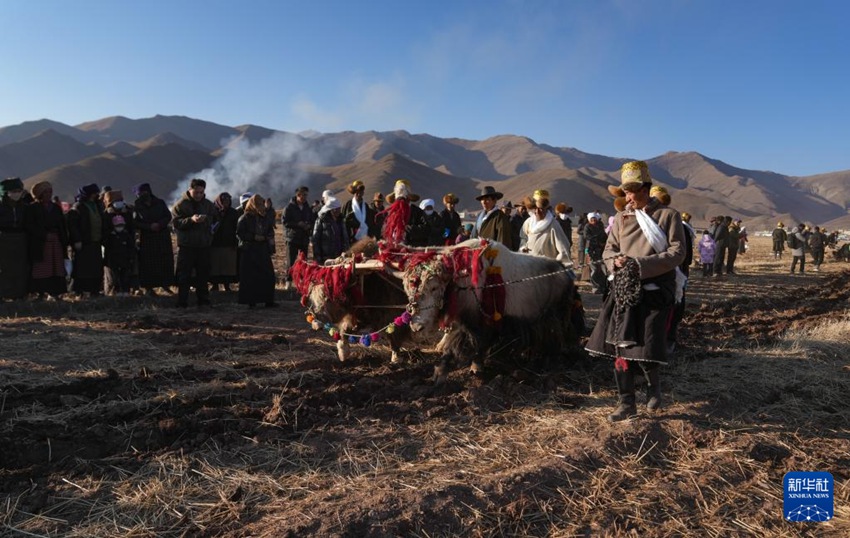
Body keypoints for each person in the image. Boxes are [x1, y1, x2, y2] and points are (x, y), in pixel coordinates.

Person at [585, 161, 686, 422]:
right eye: (625, 192)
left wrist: (640, 265)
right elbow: (609, 249)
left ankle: (654, 388)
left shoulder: (668, 216)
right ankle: (626, 402)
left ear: (645, 188)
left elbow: (677, 252)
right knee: (619, 347)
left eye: (631, 191)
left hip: (654, 290)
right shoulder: (620, 219)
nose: (627, 197)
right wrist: (615, 261)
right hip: (623, 290)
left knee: (646, 347)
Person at [171, 178, 218, 308]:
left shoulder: (208, 205)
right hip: (187, 246)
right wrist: (191, 220)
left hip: (204, 245)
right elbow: (176, 224)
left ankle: (203, 300)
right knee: (184, 275)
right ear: (190, 190)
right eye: (196, 192)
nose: (198, 195)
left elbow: (215, 220)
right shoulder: (180, 205)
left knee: (203, 274)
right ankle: (182, 301)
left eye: (201, 192)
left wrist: (207, 221)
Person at [25, 182, 68, 299]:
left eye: (50, 192)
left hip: (56, 242)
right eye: (46, 192)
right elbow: (30, 225)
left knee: (56, 267)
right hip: (40, 243)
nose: (49, 194)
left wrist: (63, 239)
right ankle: (40, 293)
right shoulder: (32, 208)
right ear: (40, 194)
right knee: (42, 268)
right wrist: (43, 234)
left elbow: (62, 225)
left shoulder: (56, 208)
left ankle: (56, 293)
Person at [132, 183, 174, 295]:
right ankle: (149, 288)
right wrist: (148, 226)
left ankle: (165, 285)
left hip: (162, 236)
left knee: (164, 262)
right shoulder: (137, 206)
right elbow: (135, 222)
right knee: (148, 264)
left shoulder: (160, 203)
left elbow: (168, 216)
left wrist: (160, 224)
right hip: (147, 238)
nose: (143, 195)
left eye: (144, 192)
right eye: (140, 193)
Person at [237, 194, 277, 308]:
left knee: (267, 275)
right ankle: (251, 302)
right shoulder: (244, 218)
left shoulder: (265, 218)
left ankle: (268, 300)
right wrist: (254, 237)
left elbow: (270, 231)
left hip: (263, 250)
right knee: (251, 277)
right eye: (258, 204)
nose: (261, 207)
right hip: (249, 250)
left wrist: (269, 241)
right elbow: (240, 234)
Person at [67, 183, 105, 297]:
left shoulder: (97, 205)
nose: (96, 195)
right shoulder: (79, 207)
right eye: (94, 193)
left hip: (96, 241)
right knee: (82, 269)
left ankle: (95, 290)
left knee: (96, 268)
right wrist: (77, 240)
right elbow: (73, 226)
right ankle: (80, 291)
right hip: (84, 242)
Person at [518, 190, 571, 263]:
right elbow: (523, 239)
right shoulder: (528, 223)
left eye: (540, 209)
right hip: (529, 266)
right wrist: (523, 248)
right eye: (535, 208)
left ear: (547, 209)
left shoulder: (553, 225)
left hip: (546, 269)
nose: (537, 211)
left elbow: (564, 251)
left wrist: (554, 267)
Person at [0, 177, 31, 300]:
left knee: (20, 268)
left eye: (19, 191)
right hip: (3, 239)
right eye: (14, 191)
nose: (17, 194)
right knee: (3, 269)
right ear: (6, 192)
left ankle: (18, 294)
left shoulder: (24, 207)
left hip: (20, 239)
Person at [102, 190, 137, 294]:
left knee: (126, 271)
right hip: (112, 248)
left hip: (125, 247)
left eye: (121, 200)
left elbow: (131, 229)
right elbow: (104, 231)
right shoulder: (106, 215)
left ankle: (126, 290)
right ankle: (112, 291)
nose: (120, 202)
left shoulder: (127, 212)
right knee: (112, 272)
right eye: (117, 200)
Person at [282, 186, 314, 289]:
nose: (305, 197)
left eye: (306, 195)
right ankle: (289, 282)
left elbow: (312, 220)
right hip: (292, 238)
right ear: (298, 195)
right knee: (291, 261)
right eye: (303, 194)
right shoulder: (289, 208)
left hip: (304, 238)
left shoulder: (307, 208)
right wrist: (298, 224)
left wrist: (308, 225)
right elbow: (285, 222)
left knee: (304, 261)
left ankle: (302, 282)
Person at [381, 179, 427, 246]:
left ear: (408, 197)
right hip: (394, 246)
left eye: (403, 198)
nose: (401, 201)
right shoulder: (391, 212)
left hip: (413, 246)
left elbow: (425, 229)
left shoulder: (417, 212)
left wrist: (408, 228)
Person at [209, 193, 239, 292]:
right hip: (215, 243)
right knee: (215, 265)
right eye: (224, 201)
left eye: (228, 201)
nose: (226, 203)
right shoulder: (212, 211)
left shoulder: (233, 212)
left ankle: (227, 285)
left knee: (228, 266)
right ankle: (215, 285)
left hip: (229, 243)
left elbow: (237, 228)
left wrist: (235, 241)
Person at [312, 197, 349, 264]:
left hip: (340, 256)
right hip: (327, 257)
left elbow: (345, 237)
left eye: (339, 209)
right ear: (331, 210)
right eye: (336, 209)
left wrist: (346, 250)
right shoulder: (322, 220)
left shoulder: (341, 220)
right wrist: (318, 257)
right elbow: (316, 240)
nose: (338, 211)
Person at [582, 212, 608, 294]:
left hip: (601, 250)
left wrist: (603, 242)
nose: (593, 220)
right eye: (591, 219)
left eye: (594, 218)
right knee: (594, 269)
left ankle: (604, 286)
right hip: (591, 249)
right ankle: (595, 287)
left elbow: (604, 235)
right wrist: (596, 240)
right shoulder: (587, 227)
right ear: (589, 220)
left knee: (604, 268)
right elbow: (586, 236)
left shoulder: (600, 226)